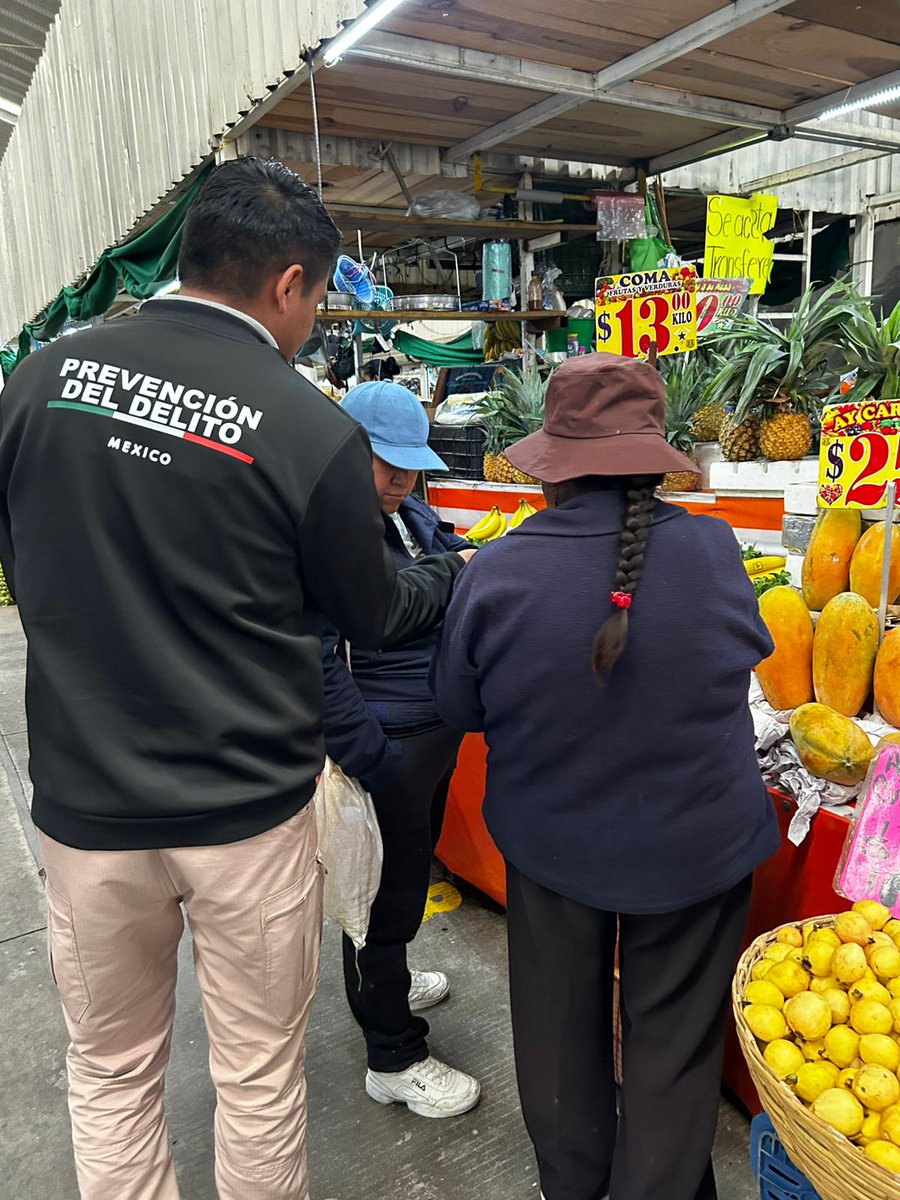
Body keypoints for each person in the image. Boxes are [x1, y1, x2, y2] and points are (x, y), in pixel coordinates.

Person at [0, 157, 472, 1200]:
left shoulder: (36, 383)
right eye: (315, 302)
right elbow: (374, 611)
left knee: (112, 1074)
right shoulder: (305, 427)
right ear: (290, 284)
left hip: (87, 812)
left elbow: (24, 563)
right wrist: (449, 571)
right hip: (245, 815)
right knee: (258, 1079)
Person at [430, 353, 780, 1200]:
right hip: (698, 846)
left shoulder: (496, 572)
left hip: (555, 842)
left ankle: (574, 1186)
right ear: (652, 459)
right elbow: (745, 657)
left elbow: (458, 707)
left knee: (555, 1036)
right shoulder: (711, 547)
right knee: (672, 1048)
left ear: (551, 466)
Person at [321, 380, 480, 1118]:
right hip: (386, 739)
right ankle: (393, 1053)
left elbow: (442, 553)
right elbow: (319, 656)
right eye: (389, 465)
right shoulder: (327, 530)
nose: (404, 481)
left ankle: (393, 971)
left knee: (409, 872)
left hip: (431, 733)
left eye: (414, 467)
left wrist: (463, 555)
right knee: (377, 895)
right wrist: (367, 753)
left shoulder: (406, 510)